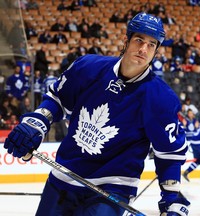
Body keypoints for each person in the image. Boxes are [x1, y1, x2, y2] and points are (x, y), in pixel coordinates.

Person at [4, 12, 190, 216]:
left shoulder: (160, 97)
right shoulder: (88, 67)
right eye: (139, 40)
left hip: (112, 188)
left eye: (151, 44)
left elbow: (169, 153)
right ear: (126, 41)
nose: (143, 49)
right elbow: (57, 99)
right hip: (64, 177)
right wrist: (37, 123)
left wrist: (171, 196)